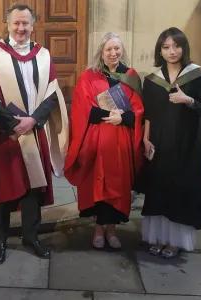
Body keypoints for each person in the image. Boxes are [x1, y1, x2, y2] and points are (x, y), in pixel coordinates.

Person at [0, 3, 68, 265]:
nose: (21, 28)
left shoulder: (44, 55)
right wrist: (12, 123)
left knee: (32, 190)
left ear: (33, 24)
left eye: (25, 23)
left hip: (34, 133)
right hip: (6, 135)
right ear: (7, 24)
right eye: (16, 23)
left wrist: (33, 120)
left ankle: (31, 236)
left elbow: (52, 95)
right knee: (2, 190)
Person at [64, 32, 144, 250]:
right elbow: (82, 109)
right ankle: (99, 230)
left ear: (122, 50)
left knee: (118, 185)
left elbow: (139, 110)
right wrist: (110, 115)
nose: (113, 53)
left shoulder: (131, 75)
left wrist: (124, 117)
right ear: (101, 51)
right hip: (97, 139)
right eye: (108, 49)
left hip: (121, 140)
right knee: (98, 184)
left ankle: (112, 230)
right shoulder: (89, 76)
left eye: (117, 48)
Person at [141, 27, 201, 258]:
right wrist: (145, 139)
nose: (172, 51)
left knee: (180, 191)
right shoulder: (152, 81)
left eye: (176, 46)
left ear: (184, 48)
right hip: (160, 144)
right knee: (159, 189)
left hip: (186, 146)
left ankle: (174, 242)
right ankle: (160, 237)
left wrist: (189, 100)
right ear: (160, 51)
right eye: (166, 47)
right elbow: (149, 114)